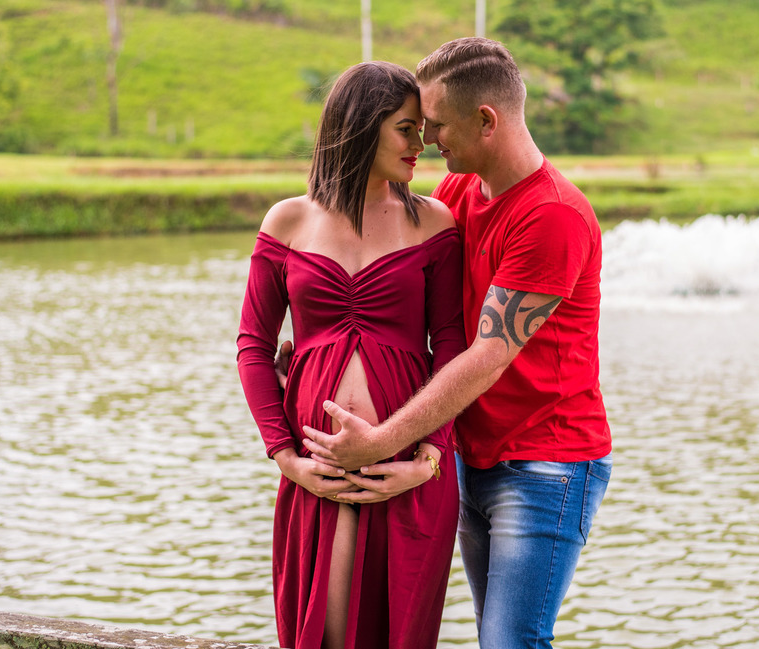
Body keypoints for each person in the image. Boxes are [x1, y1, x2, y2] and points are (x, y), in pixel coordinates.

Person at [303, 37, 613, 649]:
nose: (426, 141)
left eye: (437, 125)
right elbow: (406, 301)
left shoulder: (552, 215)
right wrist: (321, 344)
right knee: (492, 637)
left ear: (486, 121)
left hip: (546, 465)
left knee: (510, 643)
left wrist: (383, 441)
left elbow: (486, 355)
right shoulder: (459, 194)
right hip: (471, 455)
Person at [235, 61, 466, 649]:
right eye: (406, 129)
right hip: (317, 471)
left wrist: (430, 458)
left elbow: (454, 348)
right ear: (363, 126)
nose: (422, 145)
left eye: (422, 130)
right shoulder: (289, 221)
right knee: (325, 634)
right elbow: (254, 347)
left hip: (409, 468)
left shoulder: (433, 221)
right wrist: (285, 456)